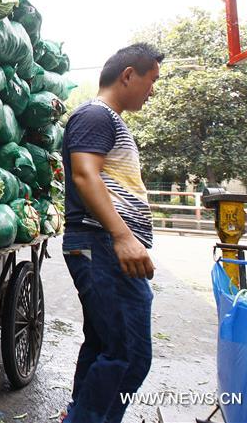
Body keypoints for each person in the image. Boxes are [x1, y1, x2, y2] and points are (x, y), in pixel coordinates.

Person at [60, 43, 163, 423]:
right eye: (151, 80)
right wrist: (122, 236)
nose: (152, 90)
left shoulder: (105, 119)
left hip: (100, 243)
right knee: (130, 356)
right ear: (128, 76)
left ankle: (78, 414)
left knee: (106, 344)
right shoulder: (95, 115)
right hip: (99, 242)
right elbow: (85, 175)